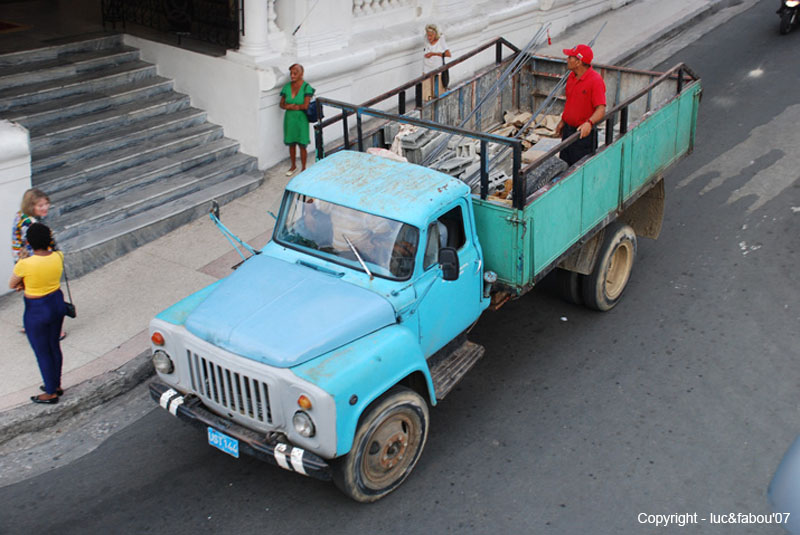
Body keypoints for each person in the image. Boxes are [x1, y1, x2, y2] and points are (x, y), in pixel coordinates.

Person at [8, 223, 67, 404]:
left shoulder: (24, 264)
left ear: (29, 242)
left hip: (37, 308)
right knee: (54, 346)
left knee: (42, 352)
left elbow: (12, 284)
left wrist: (22, 283)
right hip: (57, 302)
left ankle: (50, 392)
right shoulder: (58, 256)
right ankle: (56, 384)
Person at [555, 44, 607, 166]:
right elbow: (571, 101)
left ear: (578, 62)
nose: (567, 60)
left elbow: (601, 109)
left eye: (570, 57)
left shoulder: (595, 81)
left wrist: (589, 123)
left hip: (583, 135)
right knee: (564, 166)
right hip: (568, 132)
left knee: (579, 170)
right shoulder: (572, 77)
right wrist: (564, 120)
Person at [280, 63, 315, 176]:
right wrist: (290, 106)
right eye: (291, 73)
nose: (293, 75)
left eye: (295, 73)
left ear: (302, 74)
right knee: (291, 143)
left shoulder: (306, 87)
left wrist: (291, 106)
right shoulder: (287, 87)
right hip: (290, 119)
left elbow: (305, 105)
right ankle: (293, 165)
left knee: (302, 143)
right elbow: (282, 104)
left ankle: (304, 167)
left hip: (301, 119)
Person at [11, 188, 51, 262]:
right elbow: (34, 249)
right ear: (30, 207)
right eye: (40, 205)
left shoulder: (20, 215)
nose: (45, 207)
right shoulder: (29, 224)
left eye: (46, 203)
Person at [422, 24, 451, 102]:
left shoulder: (441, 40)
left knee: (438, 94)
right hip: (427, 70)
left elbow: (448, 54)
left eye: (431, 36)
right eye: (428, 35)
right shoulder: (426, 38)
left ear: (435, 34)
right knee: (427, 96)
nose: (429, 37)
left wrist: (433, 54)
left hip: (437, 71)